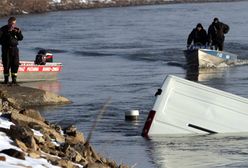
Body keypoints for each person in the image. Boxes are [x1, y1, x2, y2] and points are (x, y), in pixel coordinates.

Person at [0, 16, 23, 84]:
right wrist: (7, 35)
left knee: (15, 64)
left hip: (14, 49)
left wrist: (18, 33)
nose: (12, 25)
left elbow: (21, 38)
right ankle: (6, 80)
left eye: (14, 23)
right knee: (6, 64)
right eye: (11, 23)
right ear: (8, 22)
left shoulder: (16, 29)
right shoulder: (2, 29)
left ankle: (14, 80)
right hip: (6, 49)